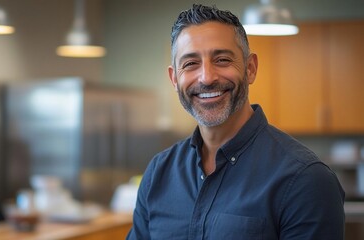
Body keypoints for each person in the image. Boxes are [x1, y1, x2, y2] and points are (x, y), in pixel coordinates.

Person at [127, 4, 345, 240]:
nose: (207, 77)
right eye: (190, 63)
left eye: (222, 60)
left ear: (250, 69)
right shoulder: (158, 173)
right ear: (174, 78)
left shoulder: (306, 180)